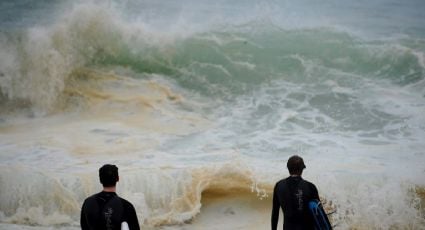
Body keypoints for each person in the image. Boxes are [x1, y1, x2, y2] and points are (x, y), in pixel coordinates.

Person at [81, 164, 140, 230]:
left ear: (100, 180)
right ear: (118, 178)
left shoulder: (88, 202)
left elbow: (84, 227)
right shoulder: (126, 206)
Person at [271, 155, 320, 230]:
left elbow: (275, 213)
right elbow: (318, 214)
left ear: (288, 168)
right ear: (302, 169)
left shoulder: (279, 186)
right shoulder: (310, 187)